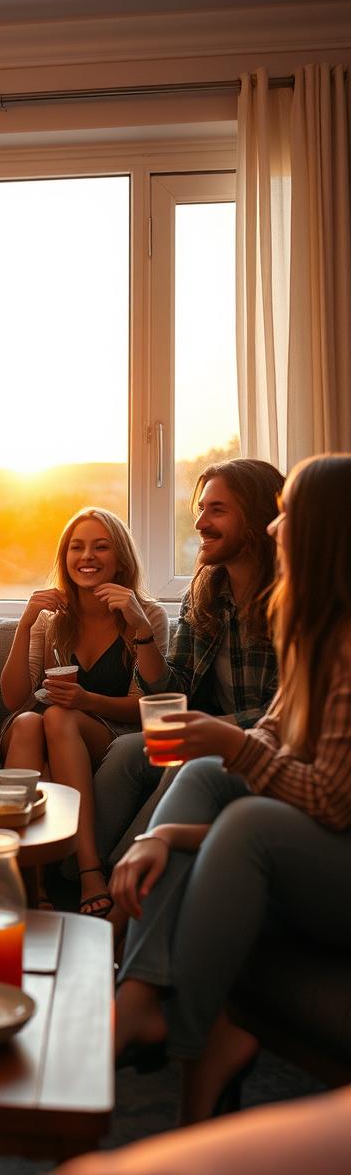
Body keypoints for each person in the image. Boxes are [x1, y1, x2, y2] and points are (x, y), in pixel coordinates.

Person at [110, 453, 351, 1124]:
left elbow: (332, 802)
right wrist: (167, 831)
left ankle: (187, 1039)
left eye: (287, 517)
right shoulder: (310, 624)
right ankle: (137, 999)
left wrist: (230, 741)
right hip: (314, 837)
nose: (277, 530)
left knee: (242, 816)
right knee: (201, 772)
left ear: (324, 532)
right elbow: (266, 734)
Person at [92, 458, 284, 870]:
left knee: (185, 758)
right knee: (125, 751)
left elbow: (285, 714)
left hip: (267, 744)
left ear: (258, 517)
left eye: (217, 510)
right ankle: (79, 874)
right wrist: (142, 632)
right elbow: (170, 693)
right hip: (208, 730)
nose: (199, 523)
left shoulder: (294, 602)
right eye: (200, 509)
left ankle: (117, 882)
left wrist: (211, 730)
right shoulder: (205, 593)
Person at [0, 507, 169, 916]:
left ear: (120, 559)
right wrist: (25, 623)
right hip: (39, 731)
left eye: (100, 547)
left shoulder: (146, 616)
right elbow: (13, 698)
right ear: (64, 557)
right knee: (26, 721)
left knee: (57, 715)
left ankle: (87, 867)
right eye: (77, 547)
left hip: (106, 733)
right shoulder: (52, 620)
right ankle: (32, 880)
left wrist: (85, 701)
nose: (86, 556)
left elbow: (148, 707)